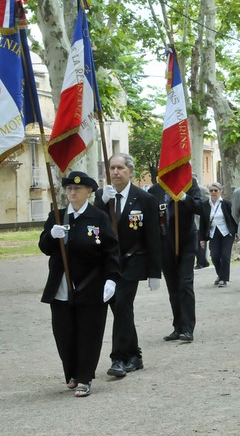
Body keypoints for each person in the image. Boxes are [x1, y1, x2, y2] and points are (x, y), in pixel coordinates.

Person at [39, 171, 120, 397]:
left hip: (90, 285)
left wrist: (112, 279)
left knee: (89, 333)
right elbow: (45, 247)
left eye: (78, 189)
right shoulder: (57, 215)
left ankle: (85, 377)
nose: (72, 192)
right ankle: (72, 372)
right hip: (61, 286)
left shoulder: (98, 217)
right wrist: (50, 236)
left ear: (89, 192)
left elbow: (111, 251)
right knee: (64, 333)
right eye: (69, 189)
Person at [96, 154, 162, 379]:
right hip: (110, 263)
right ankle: (135, 355)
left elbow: (153, 236)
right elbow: (94, 226)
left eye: (120, 168)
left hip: (133, 261)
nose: (115, 172)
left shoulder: (144, 199)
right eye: (112, 168)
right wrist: (100, 203)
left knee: (122, 304)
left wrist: (155, 272)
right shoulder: (102, 196)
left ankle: (118, 358)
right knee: (120, 309)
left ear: (130, 171)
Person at [149, 177, 204, 342]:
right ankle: (178, 326)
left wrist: (185, 197)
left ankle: (188, 328)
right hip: (165, 243)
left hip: (186, 241)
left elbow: (200, 207)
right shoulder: (154, 191)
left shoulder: (189, 184)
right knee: (173, 287)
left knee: (185, 284)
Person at [200, 182, 237, 287]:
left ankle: (223, 279)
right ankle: (220, 274)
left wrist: (237, 232)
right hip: (213, 233)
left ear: (221, 192)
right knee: (215, 256)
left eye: (216, 190)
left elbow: (234, 219)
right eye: (211, 190)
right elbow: (202, 222)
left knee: (225, 256)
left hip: (226, 232)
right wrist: (202, 238)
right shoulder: (205, 204)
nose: (213, 192)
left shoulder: (226, 203)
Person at [194, 174, 210, 270]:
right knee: (197, 242)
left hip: (200, 220)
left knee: (201, 241)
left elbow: (208, 202)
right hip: (193, 220)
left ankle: (201, 261)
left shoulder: (203, 190)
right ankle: (201, 261)